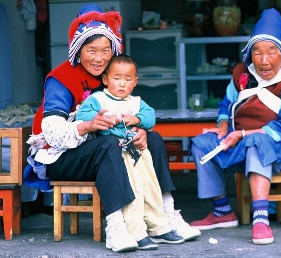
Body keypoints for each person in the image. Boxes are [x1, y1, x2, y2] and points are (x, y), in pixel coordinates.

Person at [23, 4, 199, 253]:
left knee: (154, 138)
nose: (99, 58)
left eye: (105, 50)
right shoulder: (60, 79)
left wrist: (139, 130)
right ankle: (117, 225)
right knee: (108, 145)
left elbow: (130, 112)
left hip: (105, 149)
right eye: (91, 50)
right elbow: (51, 132)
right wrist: (88, 125)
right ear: (77, 49)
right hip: (61, 155)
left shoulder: (111, 74)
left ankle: (166, 214)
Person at [189, 8, 281, 245]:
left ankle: (260, 219)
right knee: (202, 144)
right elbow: (226, 105)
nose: (263, 60)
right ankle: (222, 211)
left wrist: (242, 134)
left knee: (256, 141)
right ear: (249, 54)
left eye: (271, 52)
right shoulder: (242, 75)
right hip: (242, 141)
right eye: (257, 52)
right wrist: (223, 126)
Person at [76, 54, 184, 250]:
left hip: (139, 151)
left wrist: (137, 120)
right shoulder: (98, 99)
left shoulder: (135, 102)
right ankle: (136, 231)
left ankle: (158, 227)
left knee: (150, 185)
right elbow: (83, 115)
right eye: (116, 78)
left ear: (135, 82)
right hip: (117, 153)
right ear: (105, 79)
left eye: (128, 79)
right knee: (134, 188)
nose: (122, 84)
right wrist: (104, 120)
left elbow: (150, 116)